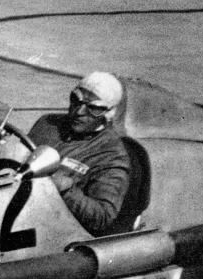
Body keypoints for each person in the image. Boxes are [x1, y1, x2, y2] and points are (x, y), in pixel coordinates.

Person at [28, 71, 131, 236]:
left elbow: (103, 216)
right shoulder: (47, 124)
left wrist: (65, 189)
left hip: (51, 229)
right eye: (75, 100)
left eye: (94, 108)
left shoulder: (112, 155)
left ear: (108, 114)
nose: (79, 111)